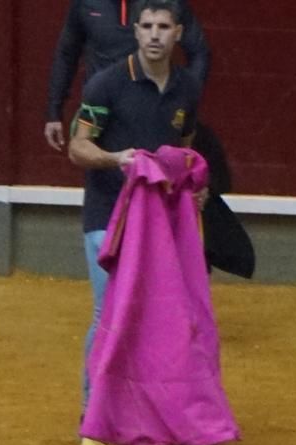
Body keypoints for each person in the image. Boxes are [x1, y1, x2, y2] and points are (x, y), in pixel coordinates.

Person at [67, 0, 204, 409]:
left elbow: (184, 150)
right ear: (136, 32)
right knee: (109, 310)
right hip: (107, 214)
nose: (155, 35)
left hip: (158, 222)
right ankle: (96, 408)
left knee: (156, 315)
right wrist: (115, 159)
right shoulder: (107, 84)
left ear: (178, 33)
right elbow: (78, 147)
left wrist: (194, 187)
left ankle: (139, 407)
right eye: (147, 26)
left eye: (164, 26)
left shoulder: (187, 88)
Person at [43, 0, 209, 154]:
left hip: (152, 106)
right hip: (102, 110)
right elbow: (67, 54)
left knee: (157, 172)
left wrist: (184, 97)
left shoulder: (166, 3)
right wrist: (54, 111)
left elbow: (199, 52)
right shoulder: (86, 3)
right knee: (102, 171)